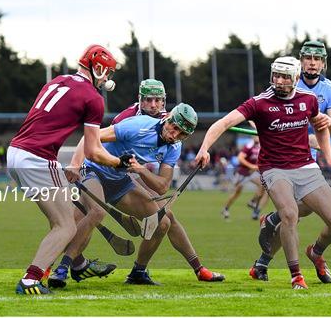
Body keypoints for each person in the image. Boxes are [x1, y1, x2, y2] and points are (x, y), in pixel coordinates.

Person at [194, 56, 331, 289]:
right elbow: (223, 123)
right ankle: (296, 276)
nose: (279, 80)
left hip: (305, 166)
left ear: (295, 78)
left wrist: (328, 157)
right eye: (276, 75)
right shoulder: (259, 103)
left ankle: (315, 252)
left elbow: (321, 127)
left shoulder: (308, 99)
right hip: (274, 168)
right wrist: (204, 148)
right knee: (290, 214)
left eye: (285, 76)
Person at [48, 103, 225, 288]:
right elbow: (89, 138)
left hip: (119, 178)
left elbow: (163, 186)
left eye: (182, 134)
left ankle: (138, 273)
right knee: (93, 214)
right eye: (175, 128)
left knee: (162, 222)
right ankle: (61, 269)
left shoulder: (173, 147)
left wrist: (141, 170)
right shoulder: (138, 125)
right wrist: (75, 165)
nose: (175, 135)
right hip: (93, 170)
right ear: (168, 119)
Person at [7, 44, 129, 295]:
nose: (107, 78)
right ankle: (30, 280)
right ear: (97, 68)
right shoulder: (93, 98)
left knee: (64, 217)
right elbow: (94, 151)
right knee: (66, 225)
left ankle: (79, 263)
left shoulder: (57, 80)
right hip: (37, 158)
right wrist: (119, 163)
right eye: (107, 72)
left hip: (15, 153)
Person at [252, 41, 331, 283]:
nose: (312, 62)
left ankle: (310, 250)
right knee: (290, 215)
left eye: (317, 58)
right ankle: (266, 263)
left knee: (298, 214)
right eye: (308, 58)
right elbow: (259, 115)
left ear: (323, 63)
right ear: (300, 61)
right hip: (282, 161)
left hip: (308, 162)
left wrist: (325, 125)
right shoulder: (286, 81)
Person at [221, 136, 269, 220]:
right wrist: (252, 166)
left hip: (252, 173)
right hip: (243, 173)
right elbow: (240, 158)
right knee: (237, 193)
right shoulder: (249, 146)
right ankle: (225, 208)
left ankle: (253, 202)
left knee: (263, 185)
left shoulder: (260, 145)